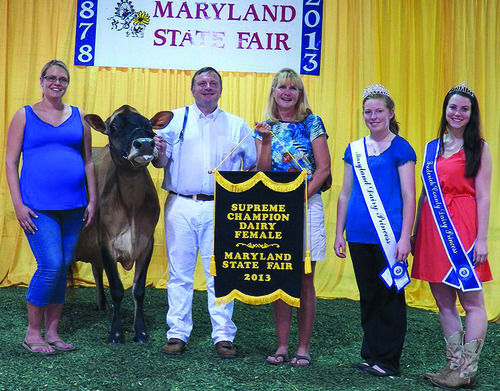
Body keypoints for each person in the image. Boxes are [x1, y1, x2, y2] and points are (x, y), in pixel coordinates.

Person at [153, 66, 256, 358]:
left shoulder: (237, 125)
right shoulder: (174, 120)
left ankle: (223, 335)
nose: (207, 87)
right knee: (179, 273)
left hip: (221, 205)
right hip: (180, 203)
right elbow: (160, 164)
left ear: (221, 90)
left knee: (220, 274)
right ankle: (177, 333)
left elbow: (253, 166)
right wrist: (159, 149)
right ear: (192, 89)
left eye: (213, 83)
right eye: (202, 83)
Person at [5, 59, 97, 354]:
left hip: (74, 207)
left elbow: (88, 160)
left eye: (63, 79)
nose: (57, 83)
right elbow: (10, 161)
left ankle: (53, 331)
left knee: (62, 267)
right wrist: (18, 204)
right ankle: (33, 332)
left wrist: (93, 199)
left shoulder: (79, 116)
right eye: (52, 78)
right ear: (42, 81)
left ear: (67, 84)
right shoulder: (25, 115)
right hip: (37, 208)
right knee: (51, 265)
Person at [411, 83, 492, 389]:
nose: (457, 113)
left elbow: (483, 195)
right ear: (445, 111)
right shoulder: (433, 147)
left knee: (472, 302)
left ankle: (468, 369)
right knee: (443, 300)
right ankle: (453, 365)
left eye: (464, 109)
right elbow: (423, 195)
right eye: (453, 107)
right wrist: (417, 231)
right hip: (433, 230)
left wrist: (482, 239)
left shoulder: (479, 148)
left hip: (464, 229)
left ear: (472, 114)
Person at [334, 84, 416, 377]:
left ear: (390, 113)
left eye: (379, 111)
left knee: (390, 297)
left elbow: (409, 196)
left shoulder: (401, 147)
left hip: (390, 236)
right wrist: (338, 233)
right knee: (368, 295)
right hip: (357, 233)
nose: (373, 116)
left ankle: (389, 360)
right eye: (368, 112)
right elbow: (345, 193)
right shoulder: (353, 149)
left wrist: (406, 237)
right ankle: (371, 355)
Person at [254, 68, 331, 367]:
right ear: (273, 91)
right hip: (276, 208)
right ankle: (282, 345)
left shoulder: (312, 122)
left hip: (306, 203)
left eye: (293, 88)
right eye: (282, 87)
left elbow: (322, 168)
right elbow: (262, 171)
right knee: (280, 275)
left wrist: (299, 197)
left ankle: (303, 347)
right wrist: (264, 141)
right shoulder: (267, 126)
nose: (287, 92)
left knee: (304, 277)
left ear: (300, 93)